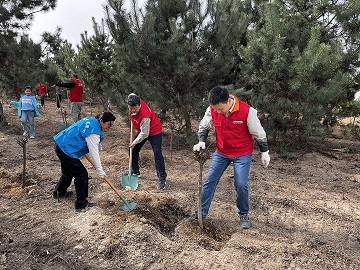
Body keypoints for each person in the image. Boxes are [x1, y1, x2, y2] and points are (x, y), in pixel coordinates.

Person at [187, 86, 270, 229]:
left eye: (220, 109)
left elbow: (259, 133)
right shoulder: (212, 109)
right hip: (222, 152)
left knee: (240, 184)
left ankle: (243, 214)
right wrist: (202, 141)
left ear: (229, 101)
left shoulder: (247, 111)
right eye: (216, 109)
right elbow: (204, 126)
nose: (218, 112)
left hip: (242, 153)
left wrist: (264, 151)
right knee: (209, 181)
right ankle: (201, 213)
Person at [52, 111, 116, 212]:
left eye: (112, 125)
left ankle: (58, 192)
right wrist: (99, 169)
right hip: (66, 149)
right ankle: (81, 204)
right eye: (109, 124)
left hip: (61, 144)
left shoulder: (92, 121)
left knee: (68, 173)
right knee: (82, 175)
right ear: (101, 121)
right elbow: (93, 152)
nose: (110, 127)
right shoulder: (93, 131)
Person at [127, 93, 167, 190]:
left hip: (154, 131)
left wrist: (134, 142)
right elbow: (132, 94)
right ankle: (135, 171)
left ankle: (162, 178)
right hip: (142, 130)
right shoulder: (134, 101)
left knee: (157, 154)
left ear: (139, 104)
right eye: (131, 108)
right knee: (132, 150)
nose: (133, 110)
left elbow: (145, 133)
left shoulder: (145, 115)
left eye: (135, 108)